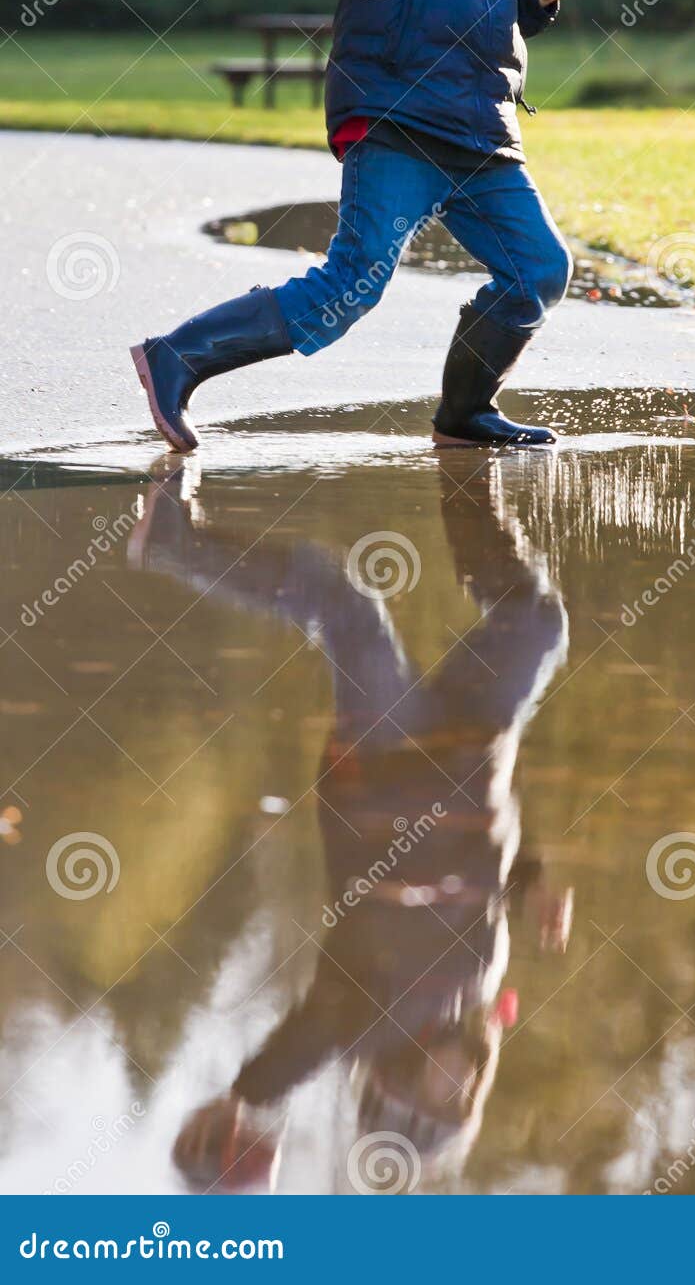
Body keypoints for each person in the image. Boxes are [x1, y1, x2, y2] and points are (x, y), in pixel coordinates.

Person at [130, 0, 583, 455]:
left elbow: (484, 13)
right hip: (399, 118)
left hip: (479, 131)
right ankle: (177, 356)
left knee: (538, 270)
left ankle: (465, 414)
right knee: (350, 287)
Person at [126, 455, 572, 1191]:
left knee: (343, 603)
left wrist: (248, 1097)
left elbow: (314, 1036)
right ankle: (468, 486)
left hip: (389, 759)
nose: (460, 1084)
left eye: (439, 1097)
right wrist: (532, 883)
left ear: (396, 1087)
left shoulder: (370, 1021)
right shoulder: (474, 996)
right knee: (537, 622)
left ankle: (174, 546)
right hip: (471, 744)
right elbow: (479, 874)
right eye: (465, 1098)